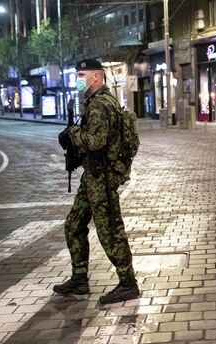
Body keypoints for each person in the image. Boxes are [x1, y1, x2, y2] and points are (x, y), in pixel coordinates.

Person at [55, 59, 139, 304]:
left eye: (81, 75)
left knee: (109, 231)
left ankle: (128, 283)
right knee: (73, 224)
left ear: (96, 76)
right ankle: (79, 279)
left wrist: (72, 134)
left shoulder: (101, 105)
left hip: (101, 178)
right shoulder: (94, 102)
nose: (78, 79)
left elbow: (95, 141)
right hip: (92, 176)